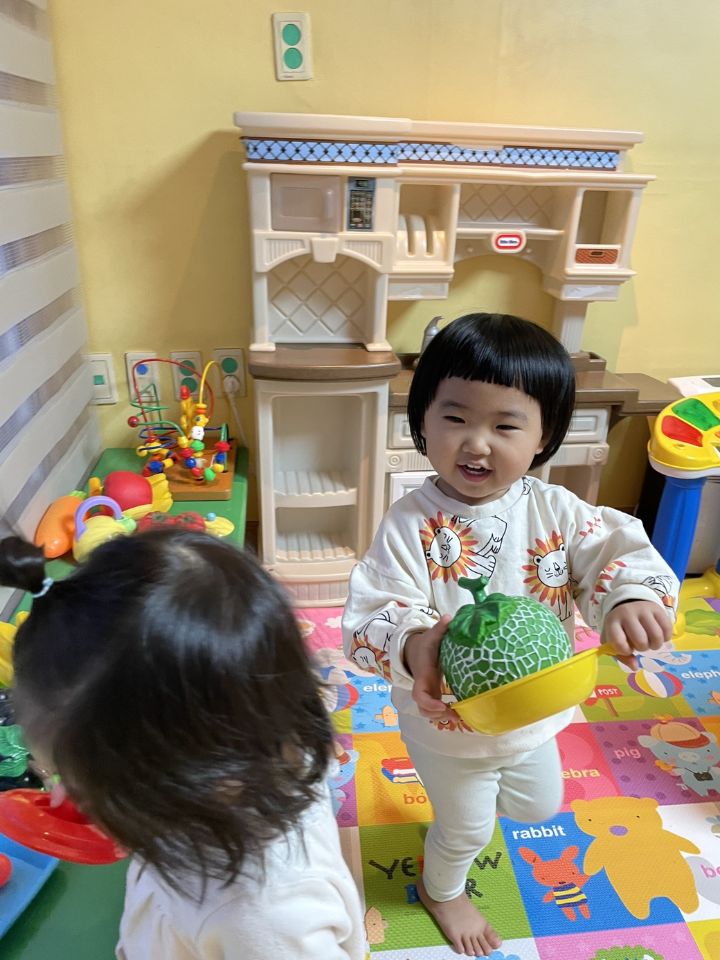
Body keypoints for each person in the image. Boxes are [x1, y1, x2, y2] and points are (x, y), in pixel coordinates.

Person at [342, 312, 678, 957]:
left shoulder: (556, 509)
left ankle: (466, 820)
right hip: (447, 725)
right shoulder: (409, 524)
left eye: (505, 425)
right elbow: (375, 609)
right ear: (422, 420)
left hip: (536, 714)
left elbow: (614, 552)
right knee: (467, 829)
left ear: (544, 434)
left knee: (536, 808)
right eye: (455, 417)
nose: (477, 443)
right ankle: (443, 889)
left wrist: (630, 596)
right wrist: (415, 645)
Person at [0, 528, 365, 960]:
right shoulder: (260, 744)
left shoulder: (262, 920)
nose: (60, 796)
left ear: (183, 777)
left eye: (73, 782)